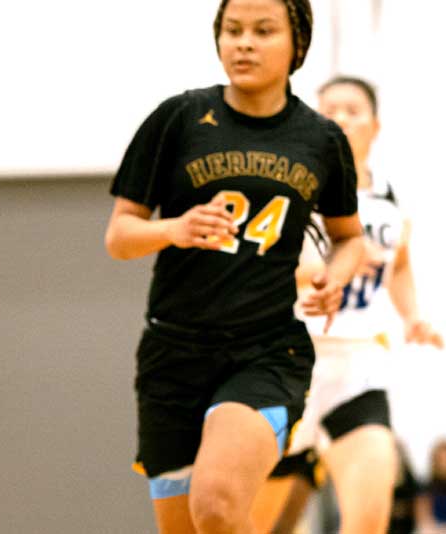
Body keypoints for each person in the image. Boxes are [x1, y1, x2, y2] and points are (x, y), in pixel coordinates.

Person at [102, 0, 368, 531]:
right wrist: (173, 229)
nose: (244, 43)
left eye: (263, 31)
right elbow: (119, 236)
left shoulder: (321, 139)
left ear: (297, 43)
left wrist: (335, 277)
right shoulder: (178, 118)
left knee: (217, 506)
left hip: (264, 352)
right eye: (233, 30)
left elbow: (350, 238)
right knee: (190, 526)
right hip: (172, 355)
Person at [251, 75, 444, 534]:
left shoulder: (391, 197)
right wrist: (338, 263)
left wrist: (412, 316)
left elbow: (399, 264)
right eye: (329, 110)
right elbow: (257, 268)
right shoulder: (290, 187)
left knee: (369, 519)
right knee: (251, 524)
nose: (340, 118)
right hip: (286, 361)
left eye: (352, 110)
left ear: (374, 126)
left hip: (358, 364)